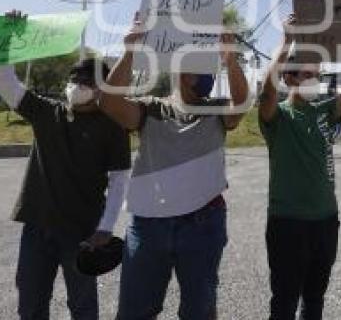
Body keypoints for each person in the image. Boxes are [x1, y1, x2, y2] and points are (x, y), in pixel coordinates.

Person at [100, 21, 249, 319]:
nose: (204, 75)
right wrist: (129, 51)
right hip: (148, 226)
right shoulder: (150, 108)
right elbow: (110, 102)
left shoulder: (216, 110)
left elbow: (241, 103)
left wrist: (231, 60)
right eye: (196, 67)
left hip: (203, 224)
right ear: (178, 72)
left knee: (200, 309)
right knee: (135, 311)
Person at [0, 12, 131, 320]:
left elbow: (120, 179)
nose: (77, 85)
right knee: (30, 303)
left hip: (83, 231)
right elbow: (0, 79)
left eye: (86, 81)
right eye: (74, 79)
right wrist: (7, 36)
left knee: (82, 307)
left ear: (102, 88)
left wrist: (105, 229)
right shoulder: (45, 112)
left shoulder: (112, 126)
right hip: (37, 226)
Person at [258, 16, 341, 320]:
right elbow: (267, 92)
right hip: (287, 223)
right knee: (283, 301)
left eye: (317, 75)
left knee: (315, 300)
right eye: (308, 75)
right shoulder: (277, 117)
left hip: (326, 221)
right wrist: (286, 42)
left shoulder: (325, 109)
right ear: (291, 78)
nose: (315, 81)